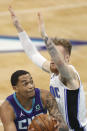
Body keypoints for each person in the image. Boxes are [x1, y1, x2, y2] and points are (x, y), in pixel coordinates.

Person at [9, 7, 87, 130]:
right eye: (51, 55)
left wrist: (44, 36)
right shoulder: (52, 70)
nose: (52, 58)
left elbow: (60, 63)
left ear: (66, 58)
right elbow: (33, 54)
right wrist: (19, 29)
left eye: (56, 55)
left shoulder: (70, 75)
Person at [0, 70, 68, 131]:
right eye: (25, 84)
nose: (31, 86)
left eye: (31, 82)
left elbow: (64, 127)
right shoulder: (7, 108)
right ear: (15, 88)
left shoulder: (45, 96)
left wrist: (56, 127)